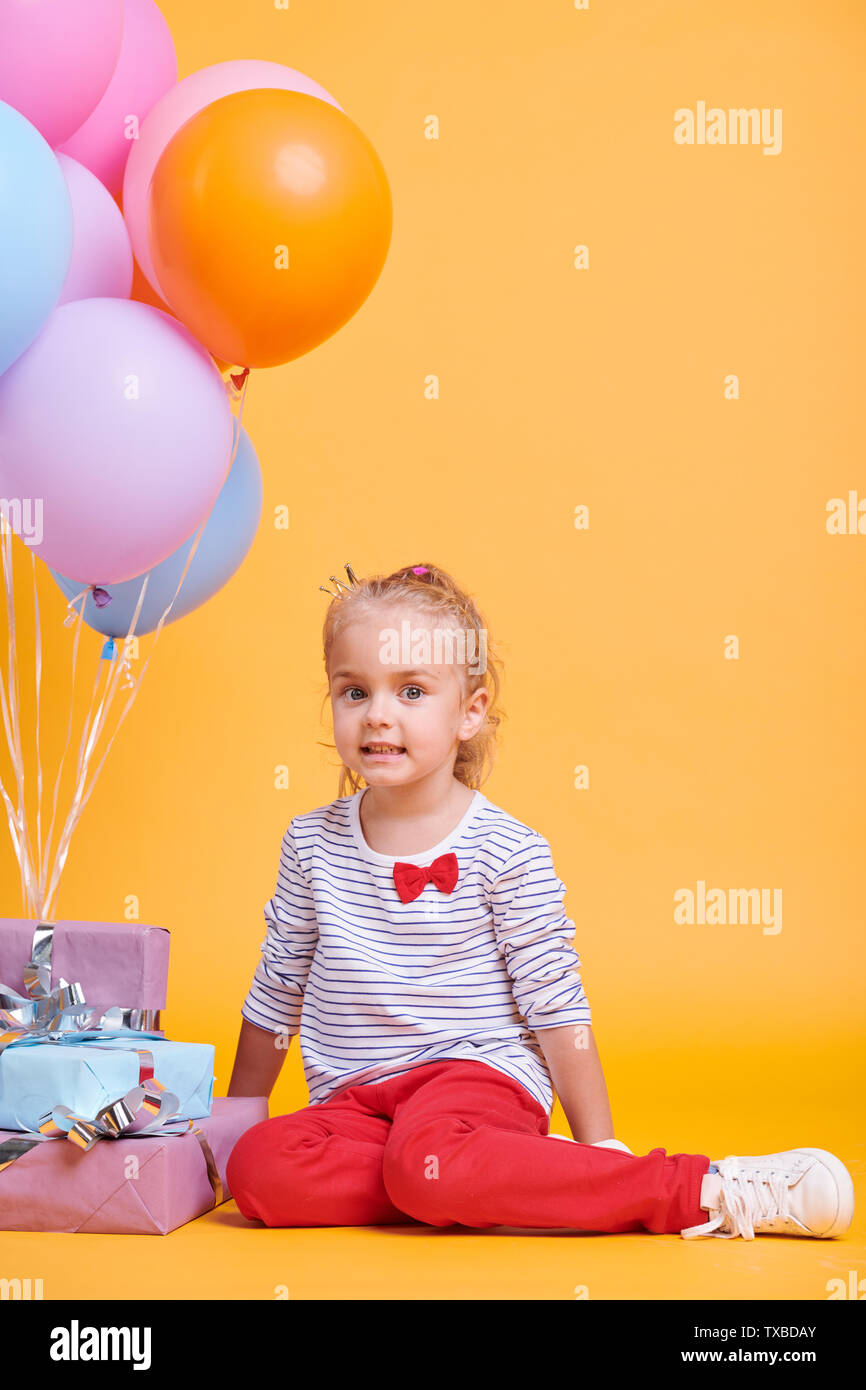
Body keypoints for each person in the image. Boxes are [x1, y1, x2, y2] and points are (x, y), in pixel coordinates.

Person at [225, 561, 854, 1240]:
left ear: (470, 711)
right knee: (259, 1170)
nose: (378, 714)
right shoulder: (311, 842)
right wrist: (238, 1111)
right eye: (354, 692)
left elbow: (557, 1008)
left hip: (476, 1081)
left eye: (411, 691)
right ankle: (485, 1183)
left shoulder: (506, 850)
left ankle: (699, 1191)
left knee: (429, 1154)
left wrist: (600, 1144)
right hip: (356, 1098)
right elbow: (278, 984)